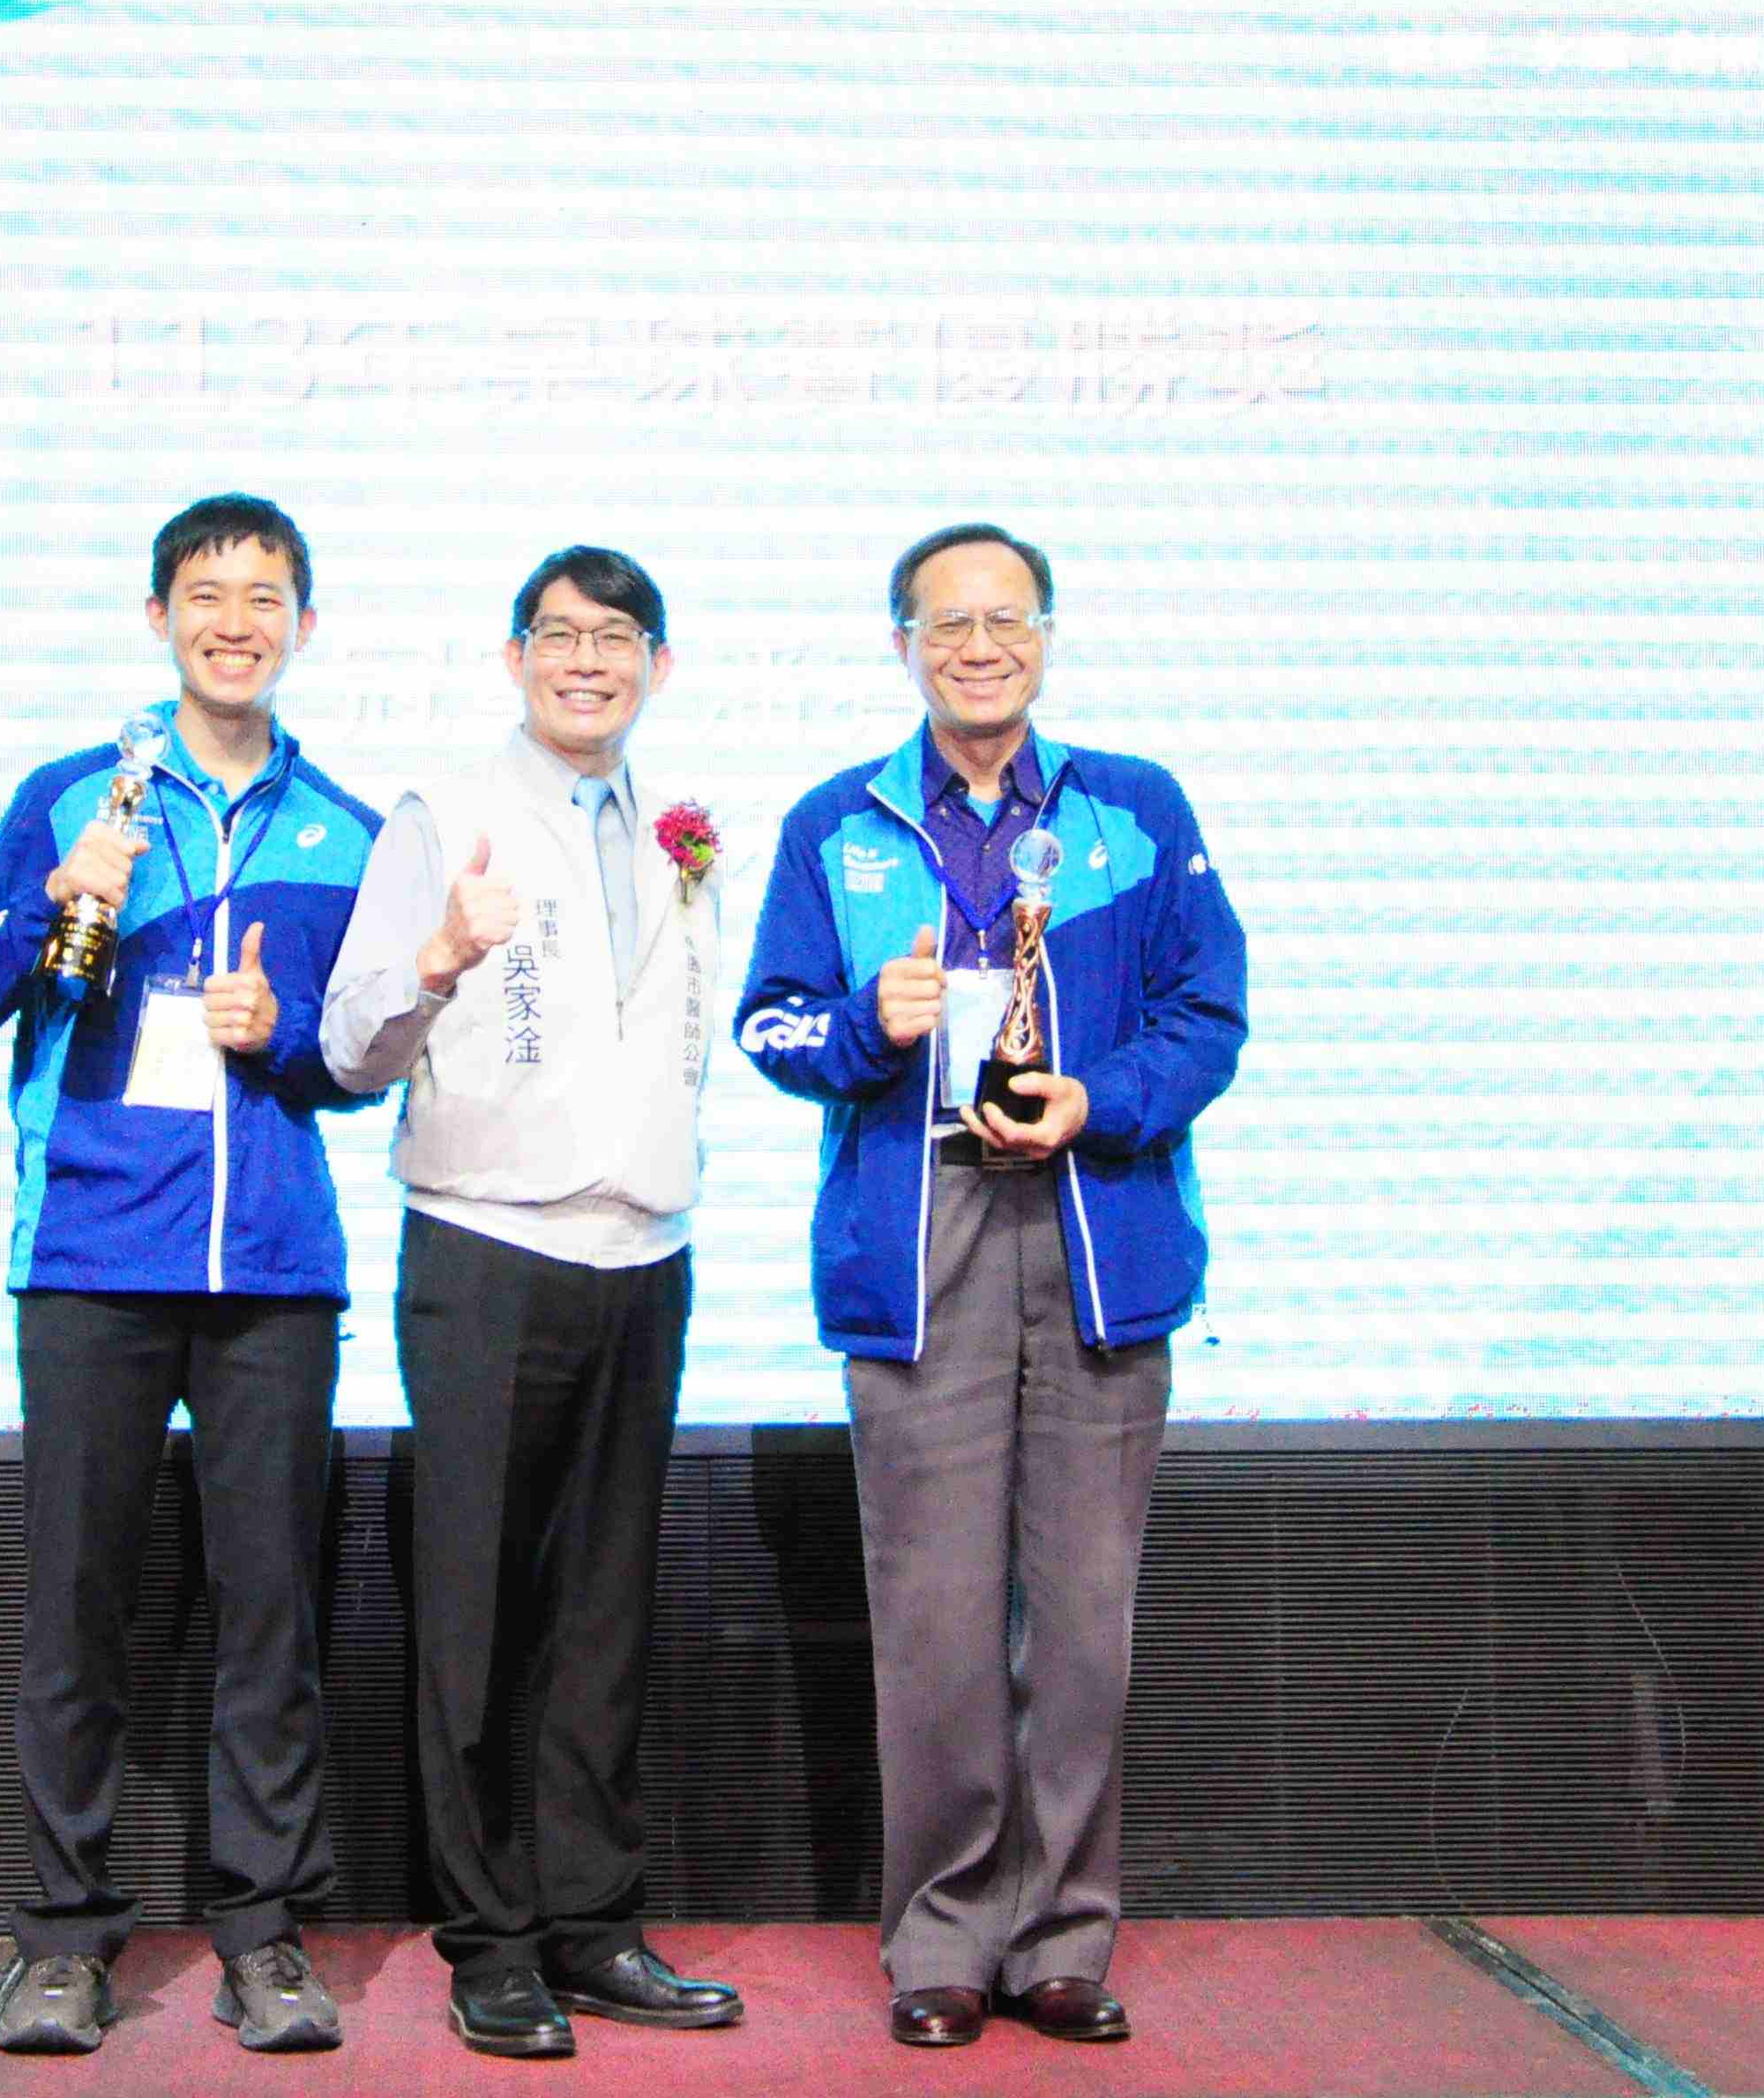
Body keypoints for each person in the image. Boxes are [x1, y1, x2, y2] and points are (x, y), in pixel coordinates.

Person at [733, 521, 1248, 2050]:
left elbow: (1209, 1013)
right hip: (921, 1241)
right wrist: (864, 1028)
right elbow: (769, 1025)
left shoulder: (1134, 810)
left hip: (1097, 1230)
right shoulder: (838, 823)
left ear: (1045, 636)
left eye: (1006, 620)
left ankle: (1065, 1937)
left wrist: (1102, 1100)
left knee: (1084, 1621)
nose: (980, 647)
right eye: (948, 623)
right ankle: (947, 1938)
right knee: (938, 1620)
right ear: (903, 643)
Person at [0, 494, 385, 2059]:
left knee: (272, 1614)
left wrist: (286, 1037)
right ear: (158, 617)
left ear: (303, 625)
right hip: (91, 1256)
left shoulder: (346, 828)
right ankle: (65, 1940)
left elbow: (363, 1058)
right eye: (206, 594)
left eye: (264, 597)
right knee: (78, 1610)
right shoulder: (74, 797)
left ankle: (265, 1933)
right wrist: (49, 902)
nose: (234, 622)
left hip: (272, 1272)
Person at [322, 546, 745, 2059]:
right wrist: (440, 958)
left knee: (604, 1614)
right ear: (513, 659)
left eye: (616, 638)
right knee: (476, 1615)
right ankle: (491, 1940)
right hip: (488, 1251)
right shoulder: (442, 815)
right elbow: (351, 1044)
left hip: (643, 1252)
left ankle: (592, 1922)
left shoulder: (687, 829)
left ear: (657, 666)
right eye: (559, 636)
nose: (587, 662)